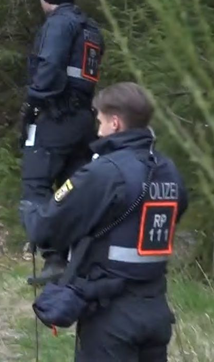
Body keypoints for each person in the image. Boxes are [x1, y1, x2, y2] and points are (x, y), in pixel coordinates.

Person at [20, 82, 188, 362]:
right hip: (156, 311)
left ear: (115, 122)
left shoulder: (106, 172)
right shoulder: (168, 170)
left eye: (99, 122)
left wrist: (31, 207)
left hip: (111, 317)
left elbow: (48, 227)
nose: (97, 131)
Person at [20, 0, 105, 284]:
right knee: (73, 187)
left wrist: (33, 104)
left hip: (56, 117)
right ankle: (81, 258)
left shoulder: (58, 24)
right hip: (84, 120)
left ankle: (53, 257)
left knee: (36, 185)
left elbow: (50, 70)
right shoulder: (91, 29)